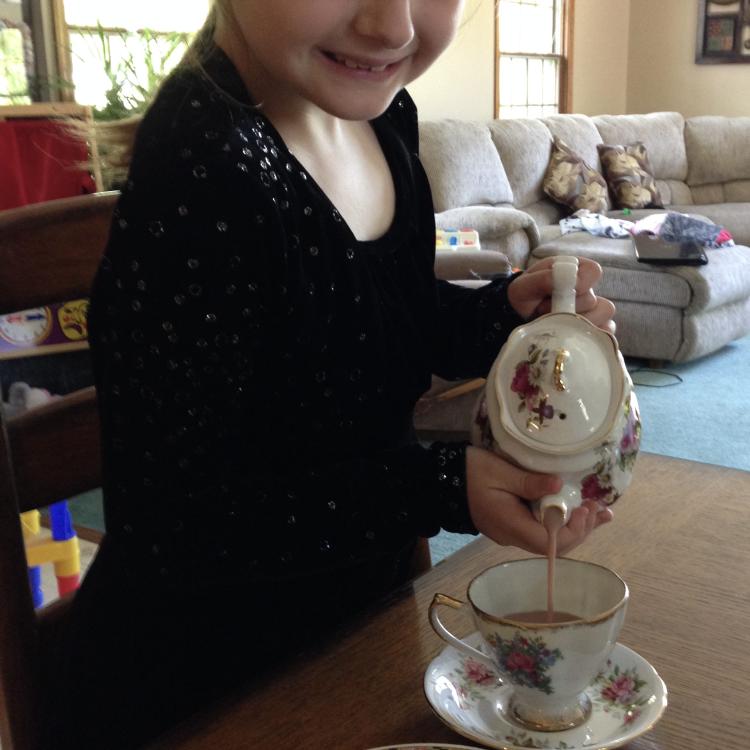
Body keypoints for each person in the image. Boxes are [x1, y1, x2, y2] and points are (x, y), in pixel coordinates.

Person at [43, 1, 615, 747]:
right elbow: (177, 525)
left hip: (358, 631)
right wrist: (438, 486)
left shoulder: (380, 116)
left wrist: (495, 319)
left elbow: (376, 313)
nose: (395, 27)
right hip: (208, 683)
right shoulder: (204, 171)